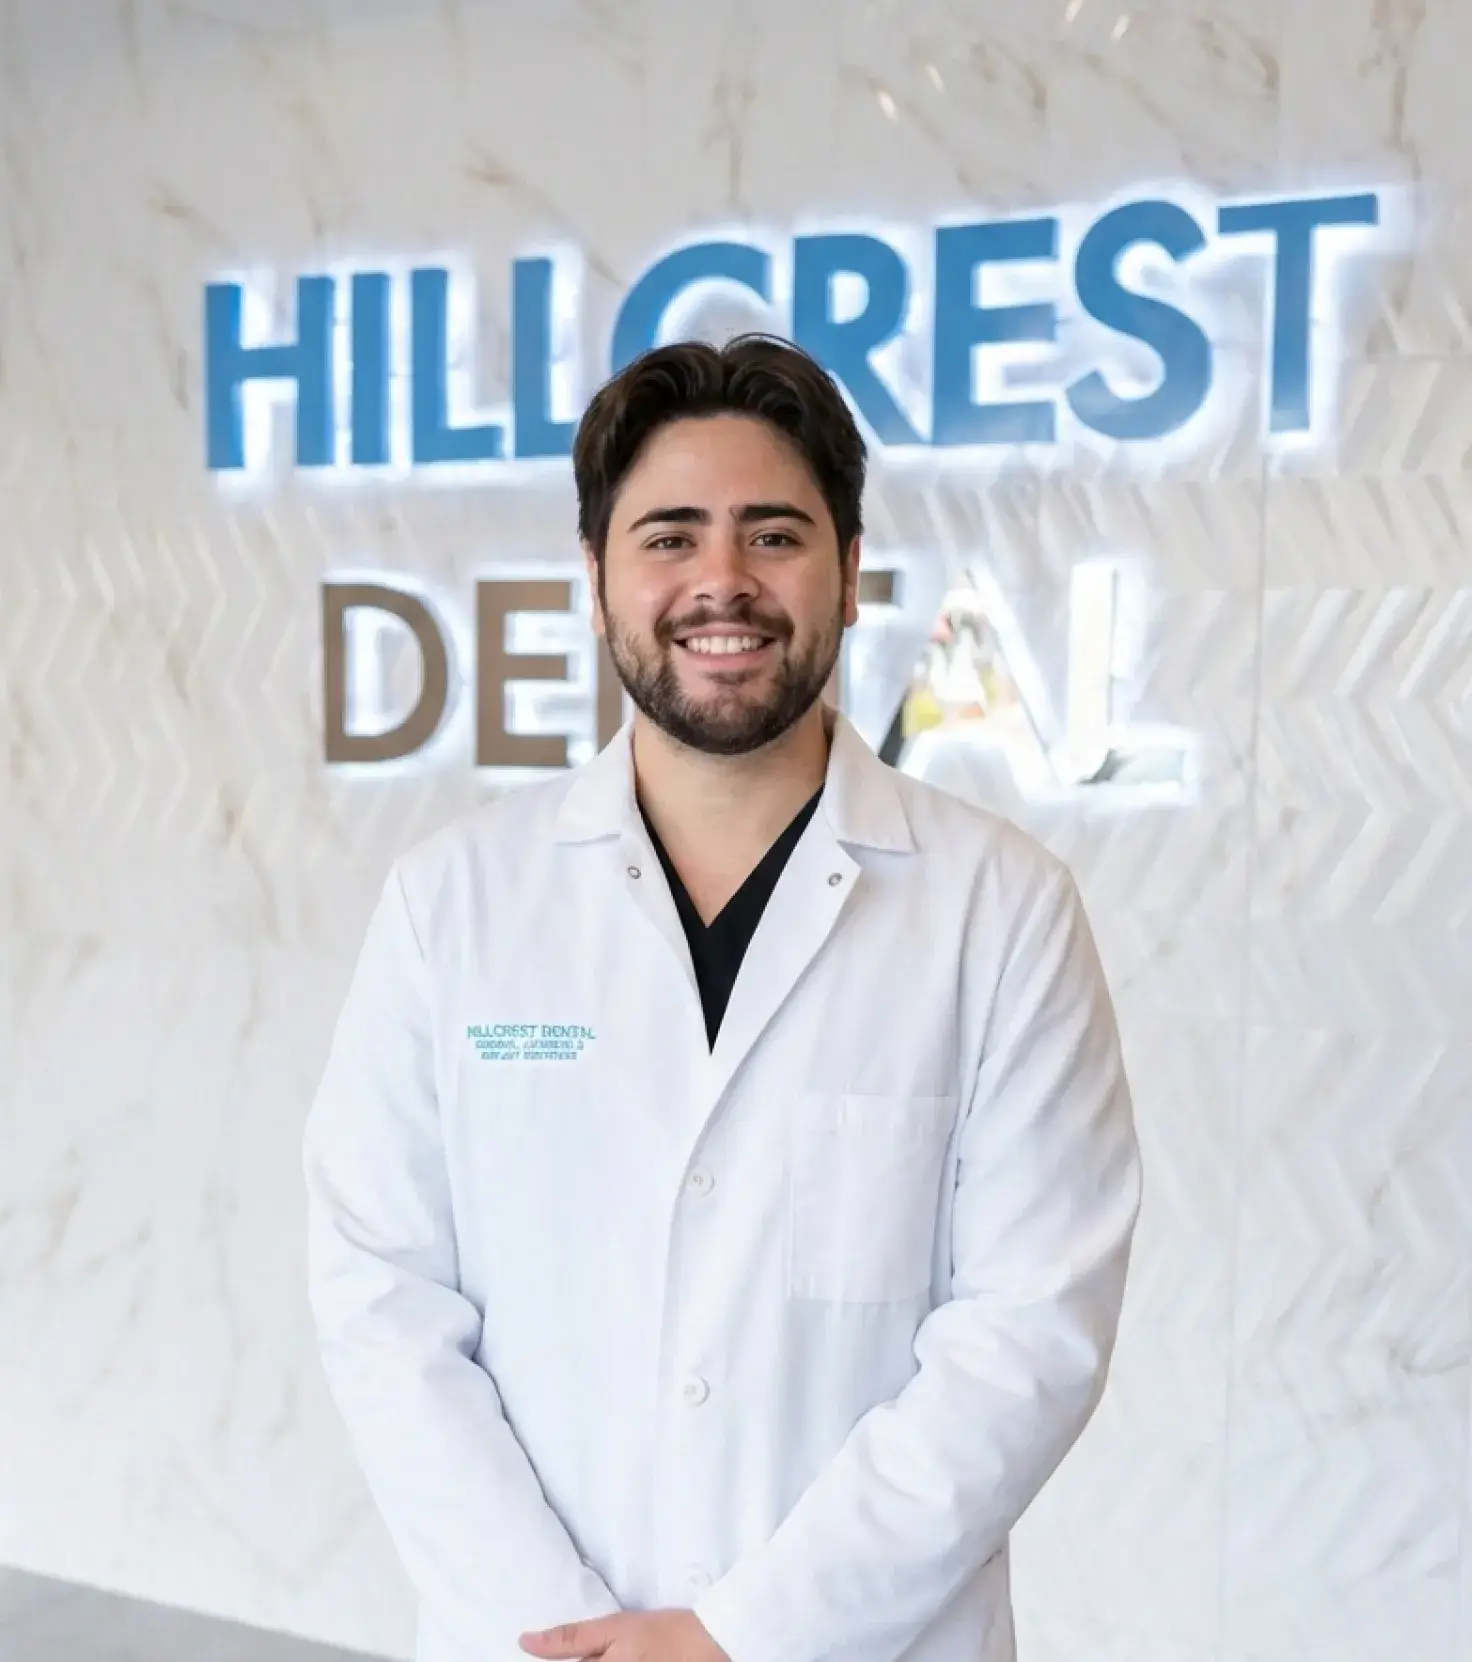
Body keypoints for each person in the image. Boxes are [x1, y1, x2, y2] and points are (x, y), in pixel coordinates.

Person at [303, 334, 1143, 1662]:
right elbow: (383, 1296)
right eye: (669, 536)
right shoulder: (453, 904)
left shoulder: (1003, 910)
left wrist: (743, 1633)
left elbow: (1026, 1336)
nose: (722, 582)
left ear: (852, 572)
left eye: (774, 534)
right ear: (594, 581)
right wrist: (562, 1621)